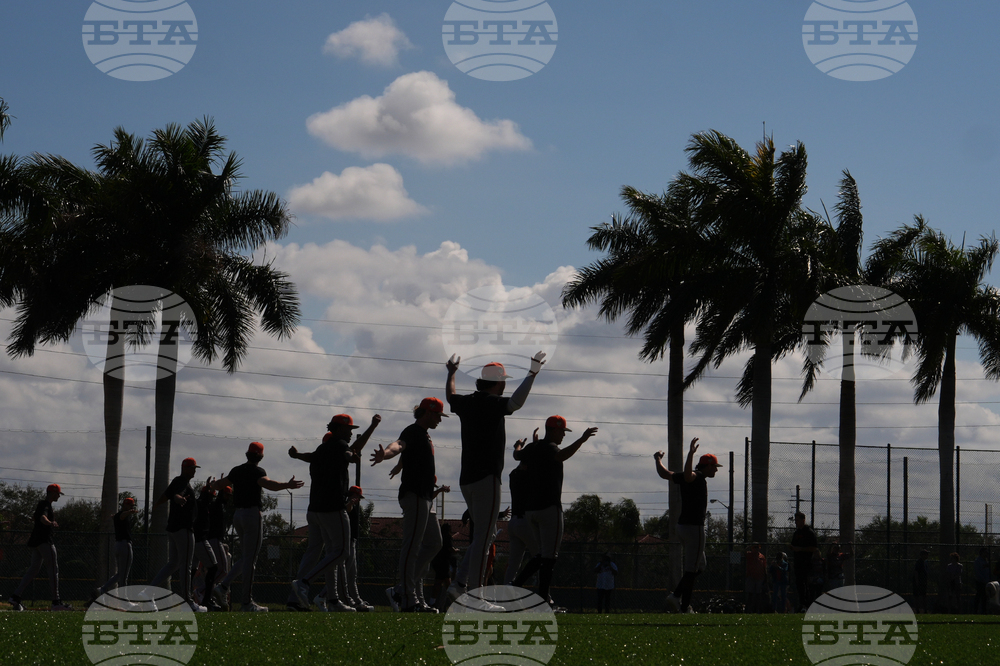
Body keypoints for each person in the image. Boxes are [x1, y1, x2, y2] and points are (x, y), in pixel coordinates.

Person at [445, 351, 545, 604]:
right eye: (503, 381)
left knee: (484, 535)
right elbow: (516, 404)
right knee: (483, 538)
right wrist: (532, 374)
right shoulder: (491, 403)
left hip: (467, 478)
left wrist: (451, 374)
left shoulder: (468, 401)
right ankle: (476, 595)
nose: (504, 385)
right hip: (486, 477)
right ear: (498, 382)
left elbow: (451, 397)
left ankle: (459, 583)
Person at [290, 414, 377, 612]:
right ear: (338, 429)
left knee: (331, 554)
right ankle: (304, 582)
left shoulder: (322, 449)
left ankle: (333, 600)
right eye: (348, 429)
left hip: (315, 508)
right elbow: (350, 453)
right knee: (342, 552)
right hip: (333, 507)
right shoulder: (340, 445)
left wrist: (296, 455)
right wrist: (354, 454)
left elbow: (310, 457)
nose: (350, 433)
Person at [513, 416, 598, 611]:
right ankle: (542, 601)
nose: (563, 436)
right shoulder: (551, 448)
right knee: (549, 557)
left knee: (541, 556)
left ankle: (516, 585)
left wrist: (518, 445)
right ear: (553, 430)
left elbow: (516, 455)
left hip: (530, 510)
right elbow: (562, 455)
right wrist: (582, 439)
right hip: (549, 508)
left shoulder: (533, 448)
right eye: (562, 431)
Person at [370, 398, 448, 613]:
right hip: (414, 495)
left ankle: (401, 589)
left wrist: (399, 465)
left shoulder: (424, 434)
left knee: (435, 543)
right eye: (438, 415)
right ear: (428, 413)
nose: (440, 420)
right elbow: (398, 445)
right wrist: (386, 455)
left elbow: (409, 452)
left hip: (426, 496)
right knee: (412, 547)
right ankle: (407, 598)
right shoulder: (412, 431)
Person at [211, 442, 304, 611]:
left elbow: (218, 485)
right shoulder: (258, 472)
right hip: (252, 515)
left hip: (238, 516)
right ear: (261, 456)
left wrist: (213, 484)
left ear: (247, 454)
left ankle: (223, 586)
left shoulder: (236, 470)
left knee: (246, 557)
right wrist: (287, 485)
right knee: (250, 560)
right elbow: (269, 484)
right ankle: (246, 602)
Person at [654, 437, 722, 613]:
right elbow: (687, 475)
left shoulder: (692, 477)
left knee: (700, 566)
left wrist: (658, 459)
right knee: (692, 569)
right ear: (707, 466)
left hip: (682, 527)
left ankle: (679, 597)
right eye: (714, 466)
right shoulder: (697, 476)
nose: (716, 470)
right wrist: (690, 454)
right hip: (694, 528)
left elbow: (664, 474)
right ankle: (682, 605)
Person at [147, 458, 206, 612]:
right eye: (192, 468)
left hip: (173, 529)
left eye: (195, 468)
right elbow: (177, 495)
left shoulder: (178, 481)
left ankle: (148, 591)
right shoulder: (182, 482)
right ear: (184, 468)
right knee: (186, 566)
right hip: (183, 529)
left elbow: (167, 494)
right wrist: (178, 498)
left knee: (173, 563)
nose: (194, 470)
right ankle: (187, 603)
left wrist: (157, 504)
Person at [7, 483, 71, 611]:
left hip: (36, 542)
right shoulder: (45, 505)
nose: (59, 496)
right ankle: (56, 602)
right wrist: (50, 523)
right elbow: (42, 517)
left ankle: (15, 596)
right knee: (53, 570)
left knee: (33, 570)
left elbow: (36, 517)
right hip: (44, 541)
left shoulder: (41, 504)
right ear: (52, 493)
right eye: (58, 493)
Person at [92, 496, 139, 601]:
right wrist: (129, 512)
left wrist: (123, 514)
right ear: (125, 505)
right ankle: (124, 600)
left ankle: (103, 589)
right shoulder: (122, 514)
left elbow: (119, 517)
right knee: (124, 576)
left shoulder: (117, 515)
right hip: (125, 545)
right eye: (130, 505)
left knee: (120, 574)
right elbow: (122, 515)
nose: (132, 507)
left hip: (118, 545)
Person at [190, 481, 222, 611]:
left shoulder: (200, 503)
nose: (212, 499)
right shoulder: (201, 503)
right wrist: (207, 491)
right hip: (200, 540)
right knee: (213, 568)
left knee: (191, 570)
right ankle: (207, 600)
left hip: (194, 539)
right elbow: (202, 500)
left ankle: (188, 598)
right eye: (211, 496)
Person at [790, 512, 819, 611]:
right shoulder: (797, 533)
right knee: (799, 584)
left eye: (797, 520)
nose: (796, 522)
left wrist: (801, 549)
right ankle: (802, 604)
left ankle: (808, 605)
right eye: (795, 520)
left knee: (807, 584)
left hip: (806, 563)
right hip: (798, 562)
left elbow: (814, 548)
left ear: (803, 520)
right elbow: (794, 545)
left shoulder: (809, 532)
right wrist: (792, 548)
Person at [430, 522, 458, 611]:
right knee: (441, 583)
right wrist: (456, 550)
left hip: (437, 561)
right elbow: (450, 549)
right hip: (444, 562)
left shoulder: (439, 537)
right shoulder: (447, 537)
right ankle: (433, 602)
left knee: (445, 583)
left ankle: (434, 602)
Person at [744, 543, 767, 613]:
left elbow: (764, 566)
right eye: (755, 547)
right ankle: (748, 609)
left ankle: (757, 609)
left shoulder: (761, 556)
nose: (756, 549)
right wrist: (749, 546)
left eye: (757, 547)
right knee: (750, 594)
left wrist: (765, 576)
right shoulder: (749, 554)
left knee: (758, 594)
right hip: (751, 577)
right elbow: (744, 552)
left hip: (760, 577)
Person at [912, 549, 930, 614]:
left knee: (923, 596)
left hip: (923, 581)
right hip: (919, 581)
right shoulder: (919, 562)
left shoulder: (925, 562)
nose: (927, 555)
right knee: (917, 596)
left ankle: (924, 609)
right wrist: (917, 581)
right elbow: (916, 572)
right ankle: (917, 609)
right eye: (926, 554)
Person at [974, 548, 990, 614]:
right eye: (985, 552)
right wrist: (982, 579)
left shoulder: (986, 561)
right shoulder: (978, 561)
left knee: (984, 597)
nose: (986, 554)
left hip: (986, 581)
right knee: (979, 596)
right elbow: (977, 572)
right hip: (980, 581)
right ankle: (975, 610)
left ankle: (984, 611)